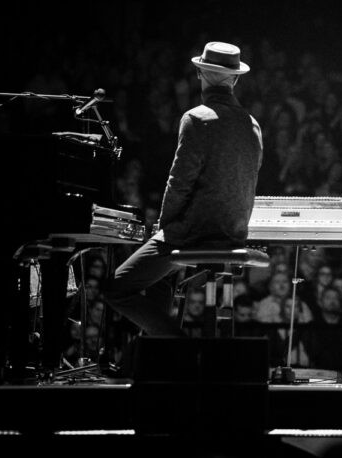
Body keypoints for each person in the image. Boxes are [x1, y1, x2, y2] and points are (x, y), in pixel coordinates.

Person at [105, 42, 262, 337]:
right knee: (160, 279)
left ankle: (177, 345)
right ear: (235, 80)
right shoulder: (252, 124)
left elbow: (179, 183)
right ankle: (155, 357)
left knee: (116, 289)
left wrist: (163, 228)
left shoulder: (196, 118)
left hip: (194, 232)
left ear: (200, 74)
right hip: (233, 232)